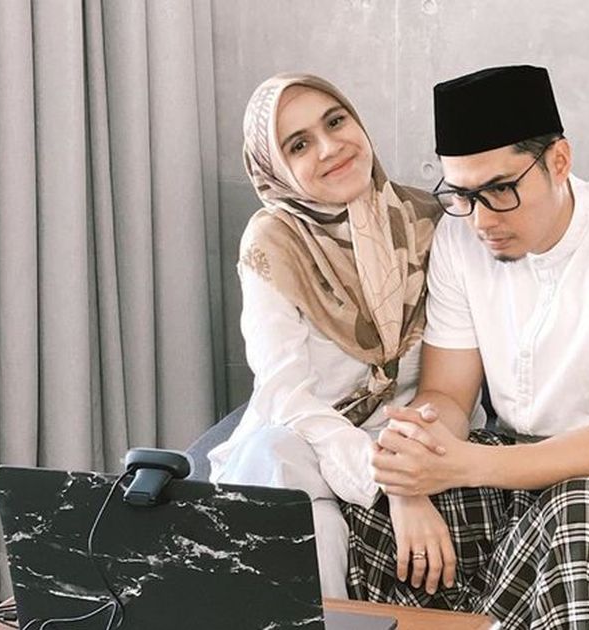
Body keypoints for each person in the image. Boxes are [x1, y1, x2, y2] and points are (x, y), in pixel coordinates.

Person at [343, 65, 589, 629]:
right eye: (463, 195)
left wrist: (468, 464)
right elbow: (448, 395)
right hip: (517, 457)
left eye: (501, 190)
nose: (482, 220)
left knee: (580, 509)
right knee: (372, 507)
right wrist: (414, 469)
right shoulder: (459, 237)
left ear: (559, 161)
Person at [206, 73, 461, 599]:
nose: (329, 148)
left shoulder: (430, 220)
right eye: (298, 145)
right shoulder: (274, 242)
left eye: (335, 121)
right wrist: (396, 483)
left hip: (415, 432)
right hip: (308, 438)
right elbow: (285, 396)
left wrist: (408, 460)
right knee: (281, 474)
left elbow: (458, 376)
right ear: (274, 168)